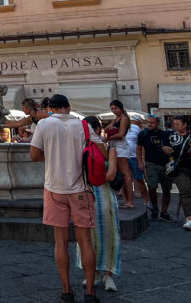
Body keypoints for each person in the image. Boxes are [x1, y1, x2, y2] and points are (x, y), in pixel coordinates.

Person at [30, 93, 98, 303]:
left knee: (60, 241)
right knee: (85, 241)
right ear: (68, 106)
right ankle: (90, 293)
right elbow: (101, 150)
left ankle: (67, 291)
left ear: (51, 107)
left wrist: (51, 157)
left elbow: (33, 155)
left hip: (54, 188)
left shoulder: (44, 124)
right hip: (80, 189)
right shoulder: (83, 125)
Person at [80, 117, 121, 294]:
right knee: (88, 238)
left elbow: (112, 174)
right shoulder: (81, 149)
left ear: (98, 130)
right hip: (88, 197)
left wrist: (93, 177)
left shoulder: (110, 149)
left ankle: (108, 275)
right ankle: (94, 274)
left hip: (105, 197)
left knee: (110, 236)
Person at [136, 115, 173, 221]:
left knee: (166, 189)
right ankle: (154, 207)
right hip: (151, 164)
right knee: (152, 186)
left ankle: (164, 211)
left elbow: (172, 148)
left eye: (152, 122)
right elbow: (138, 149)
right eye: (148, 122)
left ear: (157, 123)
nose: (149, 124)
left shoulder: (165, 134)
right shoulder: (143, 134)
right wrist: (140, 162)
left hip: (165, 164)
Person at [104, 100, 136, 209]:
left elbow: (121, 134)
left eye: (115, 108)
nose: (114, 110)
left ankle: (130, 201)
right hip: (115, 146)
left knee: (125, 174)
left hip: (121, 146)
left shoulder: (124, 119)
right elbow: (109, 128)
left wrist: (108, 138)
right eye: (112, 108)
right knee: (121, 174)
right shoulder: (116, 119)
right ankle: (127, 200)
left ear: (120, 108)